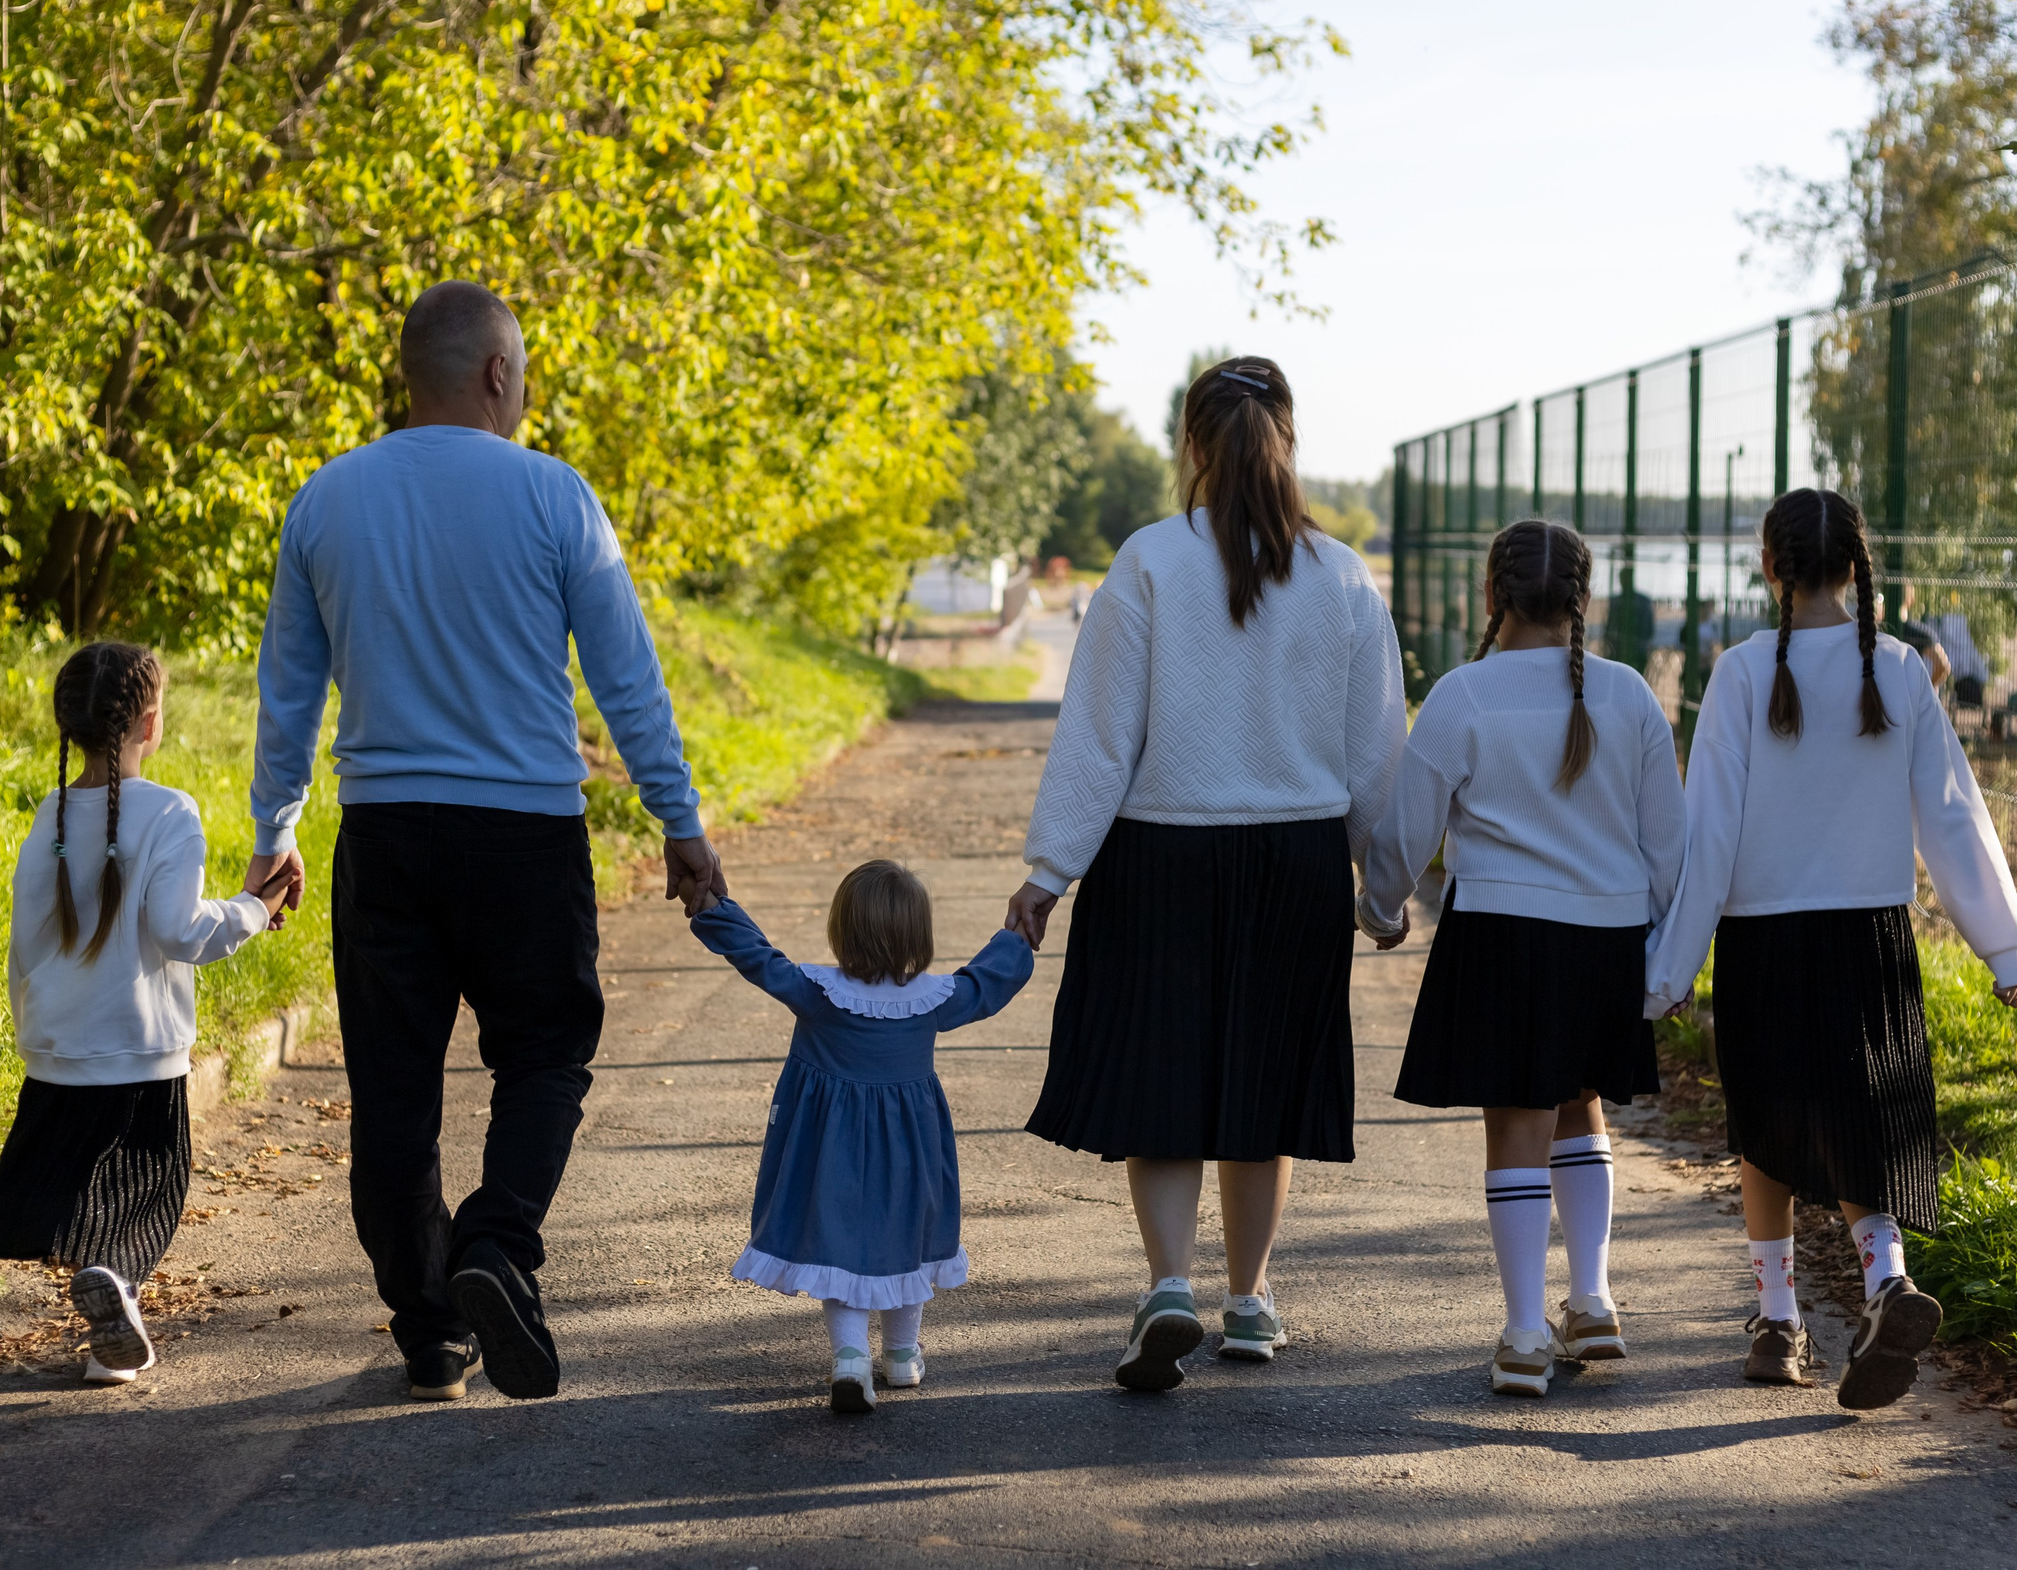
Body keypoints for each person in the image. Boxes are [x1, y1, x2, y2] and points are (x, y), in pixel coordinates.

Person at [247, 281, 726, 1403]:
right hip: (523, 836)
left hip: (385, 837)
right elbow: (627, 682)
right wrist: (679, 822)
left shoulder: (327, 499)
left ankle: (429, 1329)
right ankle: (497, 1250)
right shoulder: (556, 497)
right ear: (500, 375)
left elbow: (287, 693)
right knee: (546, 1057)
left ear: (408, 375)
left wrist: (275, 831)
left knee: (394, 1088)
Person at [1007, 355, 1405, 1393]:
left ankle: (1169, 1285)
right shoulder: (1343, 576)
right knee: (1260, 1089)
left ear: (1190, 446)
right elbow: (1375, 756)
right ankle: (1251, 1300)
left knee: (1165, 1082)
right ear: (1289, 442)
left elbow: (1099, 736)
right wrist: (1384, 885)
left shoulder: (1145, 562)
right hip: (1296, 858)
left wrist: (1049, 873)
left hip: (1159, 853)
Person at [1647, 488, 2017, 1410]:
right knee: (1869, 1117)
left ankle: (1778, 1320)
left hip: (1762, 938)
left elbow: (1709, 835)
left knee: (1768, 1125)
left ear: (1770, 568)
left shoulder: (1739, 673)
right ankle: (1886, 1280)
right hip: (1870, 933)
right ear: (1857, 568)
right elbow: (1950, 813)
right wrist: (2003, 947)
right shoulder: (1899, 669)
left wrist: (1665, 975)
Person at [1357, 520, 1685, 1398]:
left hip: (1502, 933)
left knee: (1515, 1121)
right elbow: (1670, 845)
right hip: (1608, 940)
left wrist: (1379, 906)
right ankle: (1594, 1298)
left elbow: (1407, 828)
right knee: (1579, 1106)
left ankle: (1523, 1331)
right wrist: (1667, 954)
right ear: (1584, 601)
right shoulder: (1629, 697)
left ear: (1490, 594)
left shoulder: (1465, 697)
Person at [0, 642, 287, 1385]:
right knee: (146, 1189)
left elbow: (23, 939)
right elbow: (181, 929)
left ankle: (109, 1326)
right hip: (142, 1051)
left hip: (59, 1048)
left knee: (77, 1189)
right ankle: (115, 1290)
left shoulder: (51, 811)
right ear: (150, 722)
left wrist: (33, 1029)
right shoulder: (171, 811)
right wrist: (254, 908)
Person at [687, 862, 1033, 1412]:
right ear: (918, 936)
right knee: (907, 1240)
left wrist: (713, 909)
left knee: (840, 1243)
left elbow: (758, 959)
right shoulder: (933, 1000)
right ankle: (900, 1356)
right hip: (910, 1153)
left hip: (832, 1152)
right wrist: (1017, 935)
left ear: (841, 929)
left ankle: (850, 1359)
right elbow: (986, 983)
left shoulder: (820, 993)